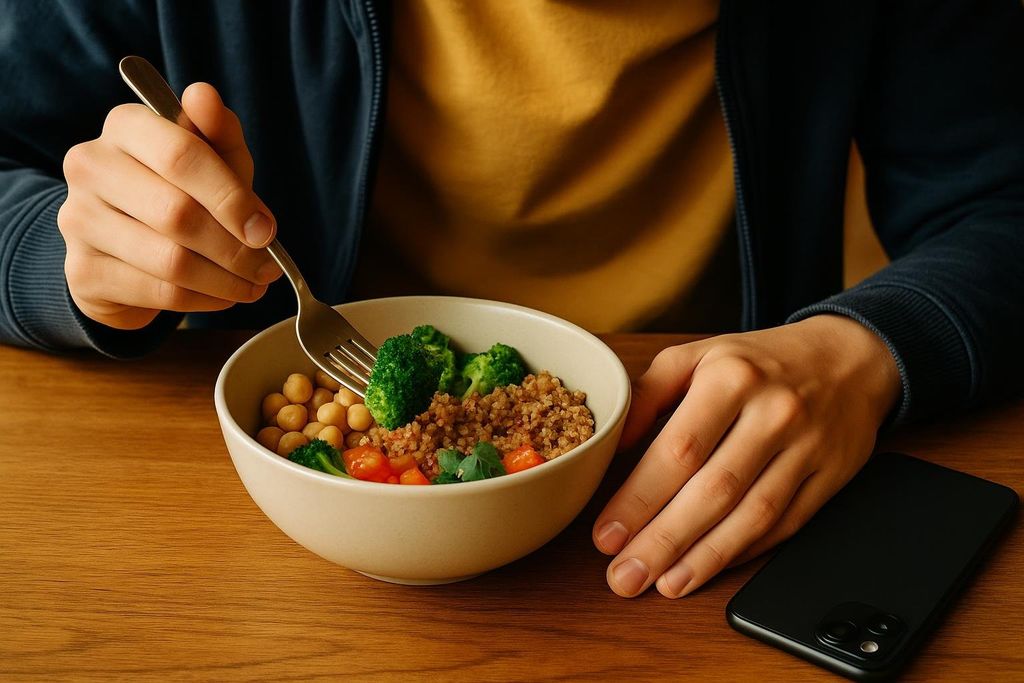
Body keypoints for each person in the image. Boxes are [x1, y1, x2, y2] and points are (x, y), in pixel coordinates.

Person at [1, 2, 1021, 599]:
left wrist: (870, 346)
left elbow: (1003, 195)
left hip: (700, 518)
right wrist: (72, 262)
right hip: (254, 568)